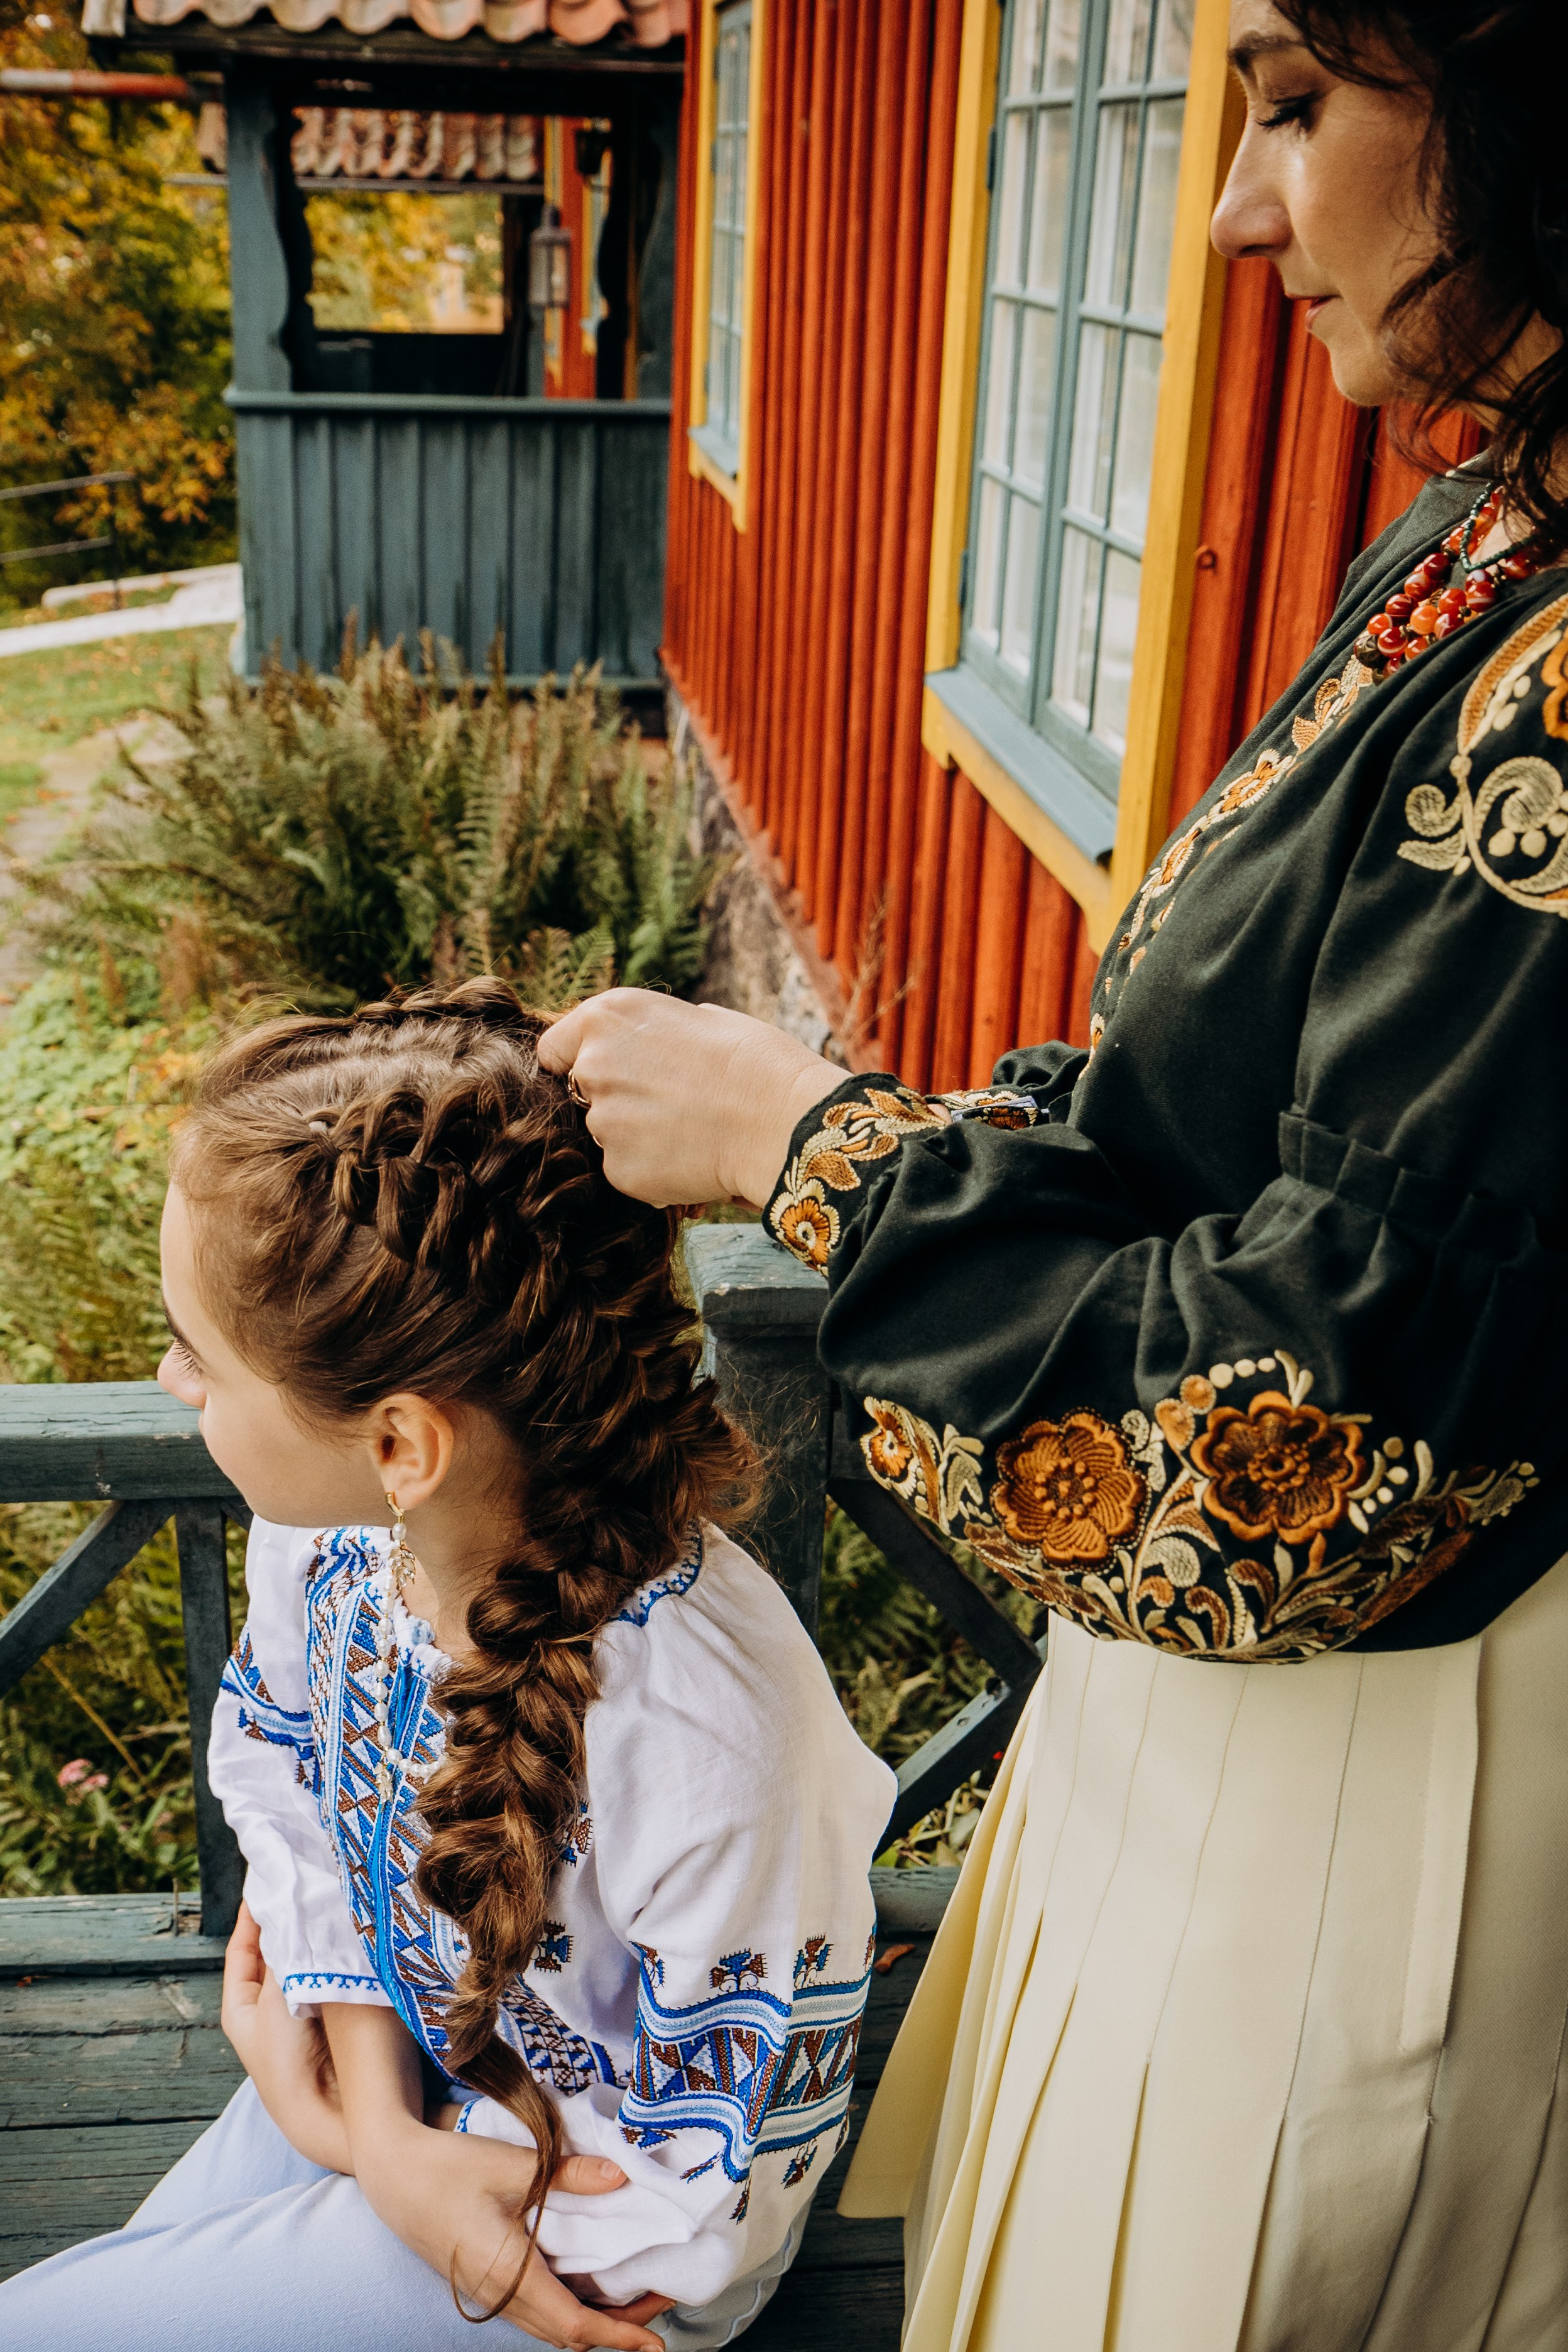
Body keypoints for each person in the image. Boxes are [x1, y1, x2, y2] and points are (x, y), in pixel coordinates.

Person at [535, 3, 1568, 2344]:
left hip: (1375, 1771)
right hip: (1218, 1744)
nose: (1232, 213)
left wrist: (814, 1152)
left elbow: (1297, 1454)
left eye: (1295, 105)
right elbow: (1222, 1123)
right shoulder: (1485, 531)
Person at [0, 981, 895, 2352]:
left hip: (575, 2242)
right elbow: (305, 1796)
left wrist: (378, 2164)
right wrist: (369, 2121)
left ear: (401, 1442)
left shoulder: (711, 1739)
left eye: (199, 1356)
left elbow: (707, 2198)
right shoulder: (337, 1539)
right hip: (403, 2074)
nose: (174, 1380)